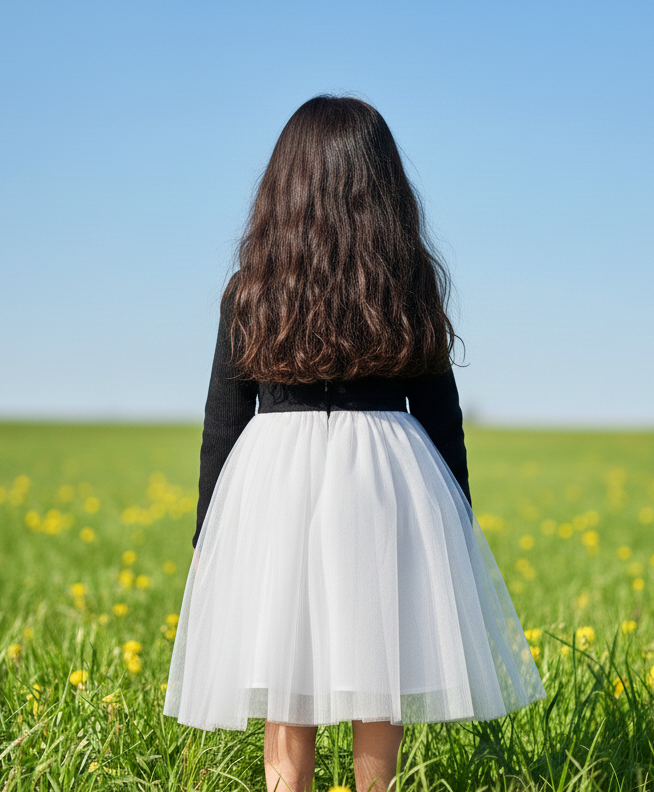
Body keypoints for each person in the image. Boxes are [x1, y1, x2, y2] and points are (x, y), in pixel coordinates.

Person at [163, 95, 547, 792]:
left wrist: (207, 540)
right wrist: (457, 515)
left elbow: (223, 418)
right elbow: (440, 411)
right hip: (386, 474)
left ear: (284, 186)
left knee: (288, 662)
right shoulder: (408, 283)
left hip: (272, 476)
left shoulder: (248, 290)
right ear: (384, 188)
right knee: (381, 661)